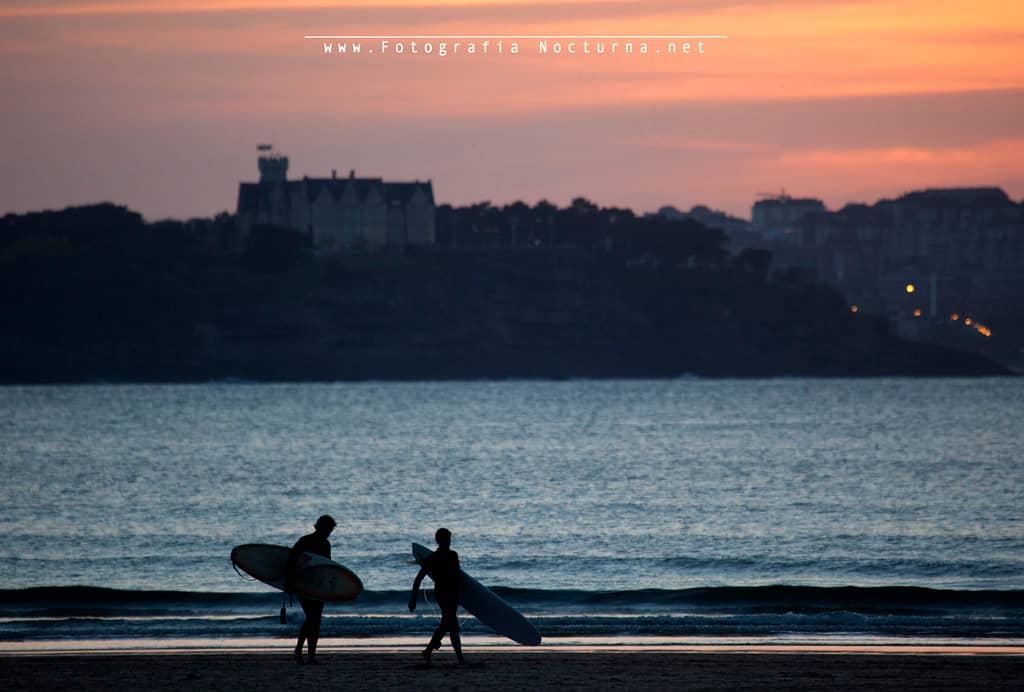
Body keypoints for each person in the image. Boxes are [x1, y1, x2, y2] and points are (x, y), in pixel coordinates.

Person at [409, 527, 465, 664]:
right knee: (450, 623)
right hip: (442, 593)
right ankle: (454, 657)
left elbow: (458, 575)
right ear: (438, 541)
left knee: (450, 624)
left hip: (453, 593)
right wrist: (413, 599)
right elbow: (419, 578)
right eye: (446, 539)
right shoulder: (433, 558)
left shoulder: (453, 555)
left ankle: (430, 650)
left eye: (449, 539)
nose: (448, 542)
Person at [286, 514, 336, 665]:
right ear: (319, 527)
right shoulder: (305, 541)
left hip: (318, 586)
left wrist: (330, 585)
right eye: (327, 529)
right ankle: (299, 650)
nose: (329, 532)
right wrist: (289, 582)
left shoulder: (326, 544)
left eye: (330, 530)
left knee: (316, 620)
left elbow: (327, 566)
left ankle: (311, 655)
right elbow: (291, 561)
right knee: (312, 618)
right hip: (304, 585)